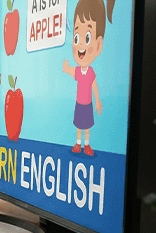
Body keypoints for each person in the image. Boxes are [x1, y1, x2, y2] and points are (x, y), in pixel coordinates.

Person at [61, 0, 115, 156]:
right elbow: (73, 72)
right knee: (79, 125)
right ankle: (78, 144)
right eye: (76, 38)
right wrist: (67, 69)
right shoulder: (79, 70)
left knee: (87, 125)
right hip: (79, 104)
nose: (80, 46)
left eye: (87, 37)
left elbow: (94, 85)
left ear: (98, 45)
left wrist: (97, 100)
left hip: (87, 104)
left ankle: (86, 145)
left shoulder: (90, 71)